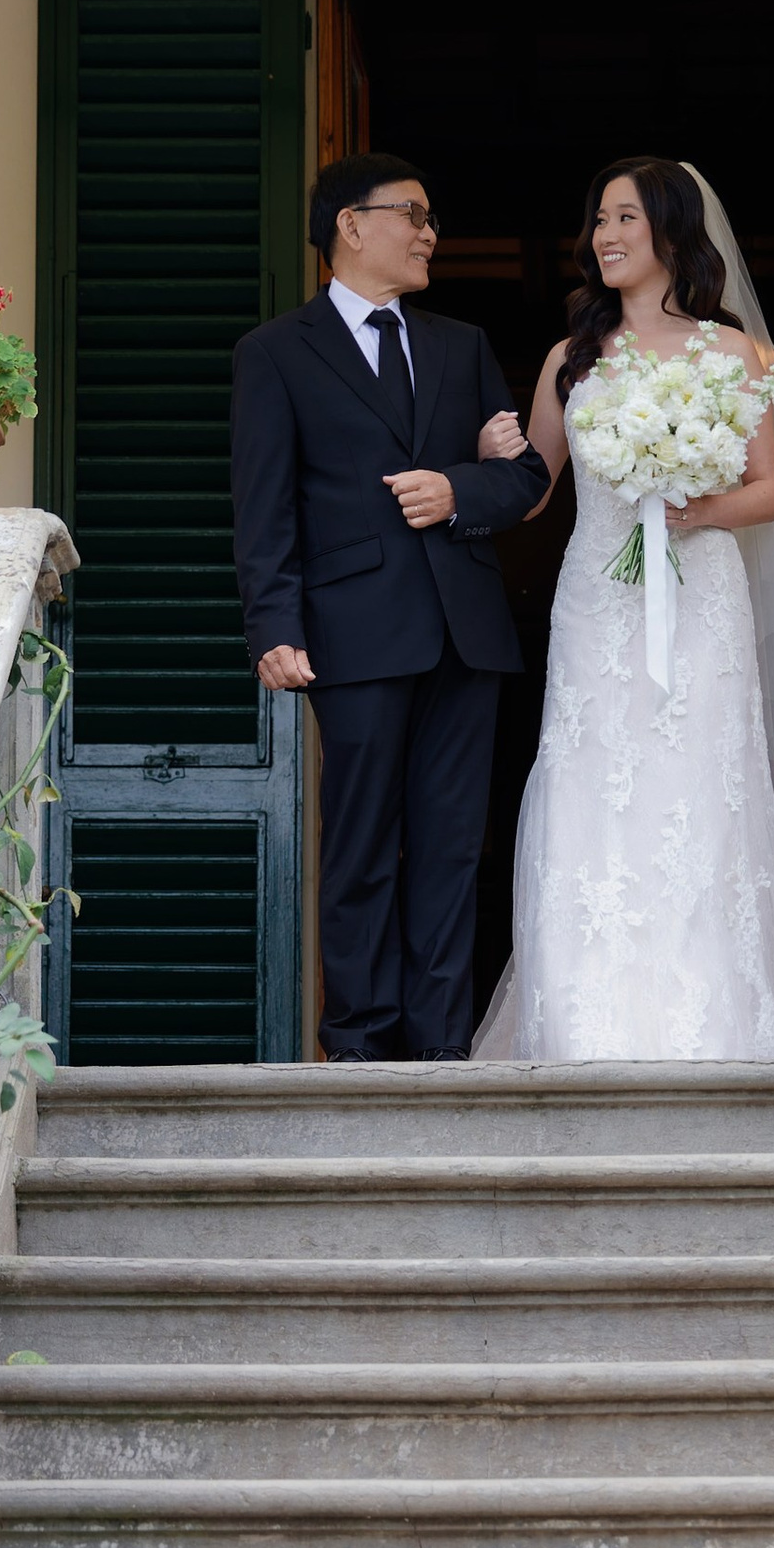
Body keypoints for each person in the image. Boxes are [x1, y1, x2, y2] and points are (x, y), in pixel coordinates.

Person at [473, 156, 774, 1064]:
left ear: (673, 233)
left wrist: (692, 508)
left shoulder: (733, 354)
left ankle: (714, 1019)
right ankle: (584, 1021)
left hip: (703, 595)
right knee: (590, 786)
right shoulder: (573, 357)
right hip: (597, 598)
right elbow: (532, 493)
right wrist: (494, 453)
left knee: (698, 791)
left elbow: (766, 492)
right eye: (598, 220)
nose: (604, 236)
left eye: (625, 219)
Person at [232, 152, 548, 1061]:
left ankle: (441, 1047)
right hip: (352, 632)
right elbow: (264, 507)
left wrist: (458, 488)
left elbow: (522, 478)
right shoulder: (275, 353)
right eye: (412, 215)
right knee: (363, 844)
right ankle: (360, 1047)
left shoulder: (461, 343)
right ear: (350, 225)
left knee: (453, 848)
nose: (428, 233)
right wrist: (273, 627)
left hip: (467, 630)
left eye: (431, 218)